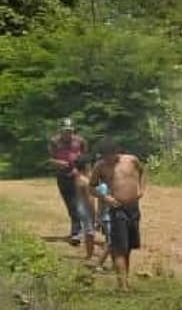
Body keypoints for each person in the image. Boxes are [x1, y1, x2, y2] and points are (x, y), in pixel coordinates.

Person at [90, 141, 145, 289]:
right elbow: (91, 187)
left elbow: (142, 172)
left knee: (128, 246)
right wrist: (106, 198)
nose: (108, 159)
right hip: (117, 209)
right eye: (105, 156)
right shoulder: (100, 166)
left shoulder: (131, 160)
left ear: (116, 152)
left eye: (110, 156)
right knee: (119, 247)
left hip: (133, 207)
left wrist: (141, 189)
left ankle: (125, 280)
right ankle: (122, 285)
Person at [47, 117, 87, 245]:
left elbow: (85, 157)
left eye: (70, 130)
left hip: (77, 175)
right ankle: (79, 229)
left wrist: (80, 170)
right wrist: (58, 162)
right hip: (62, 176)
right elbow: (50, 160)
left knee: (77, 203)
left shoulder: (80, 141)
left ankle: (77, 232)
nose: (67, 133)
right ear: (60, 130)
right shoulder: (54, 142)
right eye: (65, 131)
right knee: (70, 204)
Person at [70, 155, 98, 262]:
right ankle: (89, 255)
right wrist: (94, 213)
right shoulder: (85, 181)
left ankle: (90, 253)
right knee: (90, 231)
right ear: (86, 165)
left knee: (87, 230)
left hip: (80, 206)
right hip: (86, 208)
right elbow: (89, 199)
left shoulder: (79, 178)